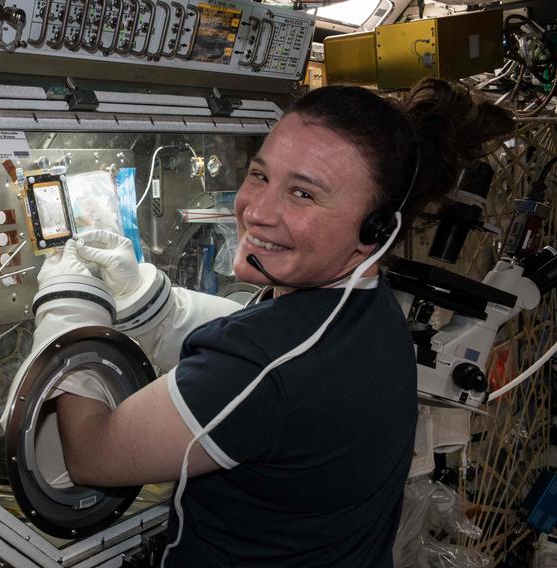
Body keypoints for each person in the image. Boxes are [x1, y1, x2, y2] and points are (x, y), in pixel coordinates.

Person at [39, 79, 513, 567]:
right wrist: (148, 300)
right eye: (260, 175)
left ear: (375, 230)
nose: (256, 212)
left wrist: (68, 303)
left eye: (303, 193)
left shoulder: (265, 366)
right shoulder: (369, 311)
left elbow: (90, 454)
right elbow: (261, 348)